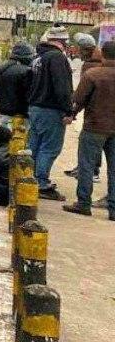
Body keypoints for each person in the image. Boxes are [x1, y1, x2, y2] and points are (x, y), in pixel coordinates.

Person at [63, 40, 115, 220]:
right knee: (114, 169)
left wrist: (71, 115)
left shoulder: (93, 74)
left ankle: (83, 203)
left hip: (94, 127)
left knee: (86, 165)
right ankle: (113, 209)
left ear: (103, 54)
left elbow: (79, 99)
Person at [26, 26, 75, 201]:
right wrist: (68, 111)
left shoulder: (38, 58)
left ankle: (28, 178)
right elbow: (62, 88)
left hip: (35, 108)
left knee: (34, 146)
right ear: (63, 42)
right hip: (51, 110)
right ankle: (41, 182)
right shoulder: (57, 58)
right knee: (50, 148)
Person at [65, 33, 103, 181]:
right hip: (99, 112)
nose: (77, 52)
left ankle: (91, 171)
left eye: (79, 49)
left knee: (91, 144)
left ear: (86, 49)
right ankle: (86, 169)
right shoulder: (97, 61)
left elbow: (83, 94)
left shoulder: (91, 65)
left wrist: (72, 113)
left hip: (94, 114)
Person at [0, 41, 33, 128]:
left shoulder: (0, 69)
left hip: (3, 111)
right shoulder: (27, 71)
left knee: (4, 138)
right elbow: (29, 95)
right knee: (20, 139)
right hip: (21, 114)